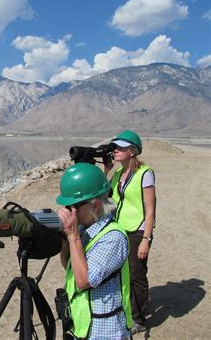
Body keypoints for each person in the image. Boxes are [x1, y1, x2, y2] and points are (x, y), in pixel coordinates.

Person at [57, 163, 132, 339]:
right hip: (85, 327)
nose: (68, 212)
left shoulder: (114, 237)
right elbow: (71, 269)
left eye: (73, 206)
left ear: (96, 206)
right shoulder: (85, 229)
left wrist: (73, 236)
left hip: (106, 332)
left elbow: (84, 280)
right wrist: (65, 240)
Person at [105, 130, 156, 335]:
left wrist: (146, 239)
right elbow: (105, 196)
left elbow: (150, 209)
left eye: (120, 147)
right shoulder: (118, 173)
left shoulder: (145, 173)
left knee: (136, 274)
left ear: (133, 151)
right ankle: (130, 310)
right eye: (115, 147)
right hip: (120, 228)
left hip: (138, 230)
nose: (115, 150)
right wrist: (107, 170)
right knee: (121, 273)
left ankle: (139, 319)